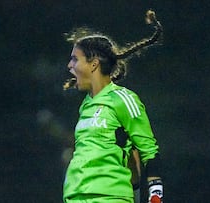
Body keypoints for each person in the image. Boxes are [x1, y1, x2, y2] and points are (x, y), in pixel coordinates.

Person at [62, 10, 164, 203]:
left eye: (75, 59)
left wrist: (155, 197)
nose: (69, 65)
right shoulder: (86, 106)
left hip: (109, 197)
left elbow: (148, 151)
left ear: (93, 64)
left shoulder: (122, 99)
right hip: (75, 197)